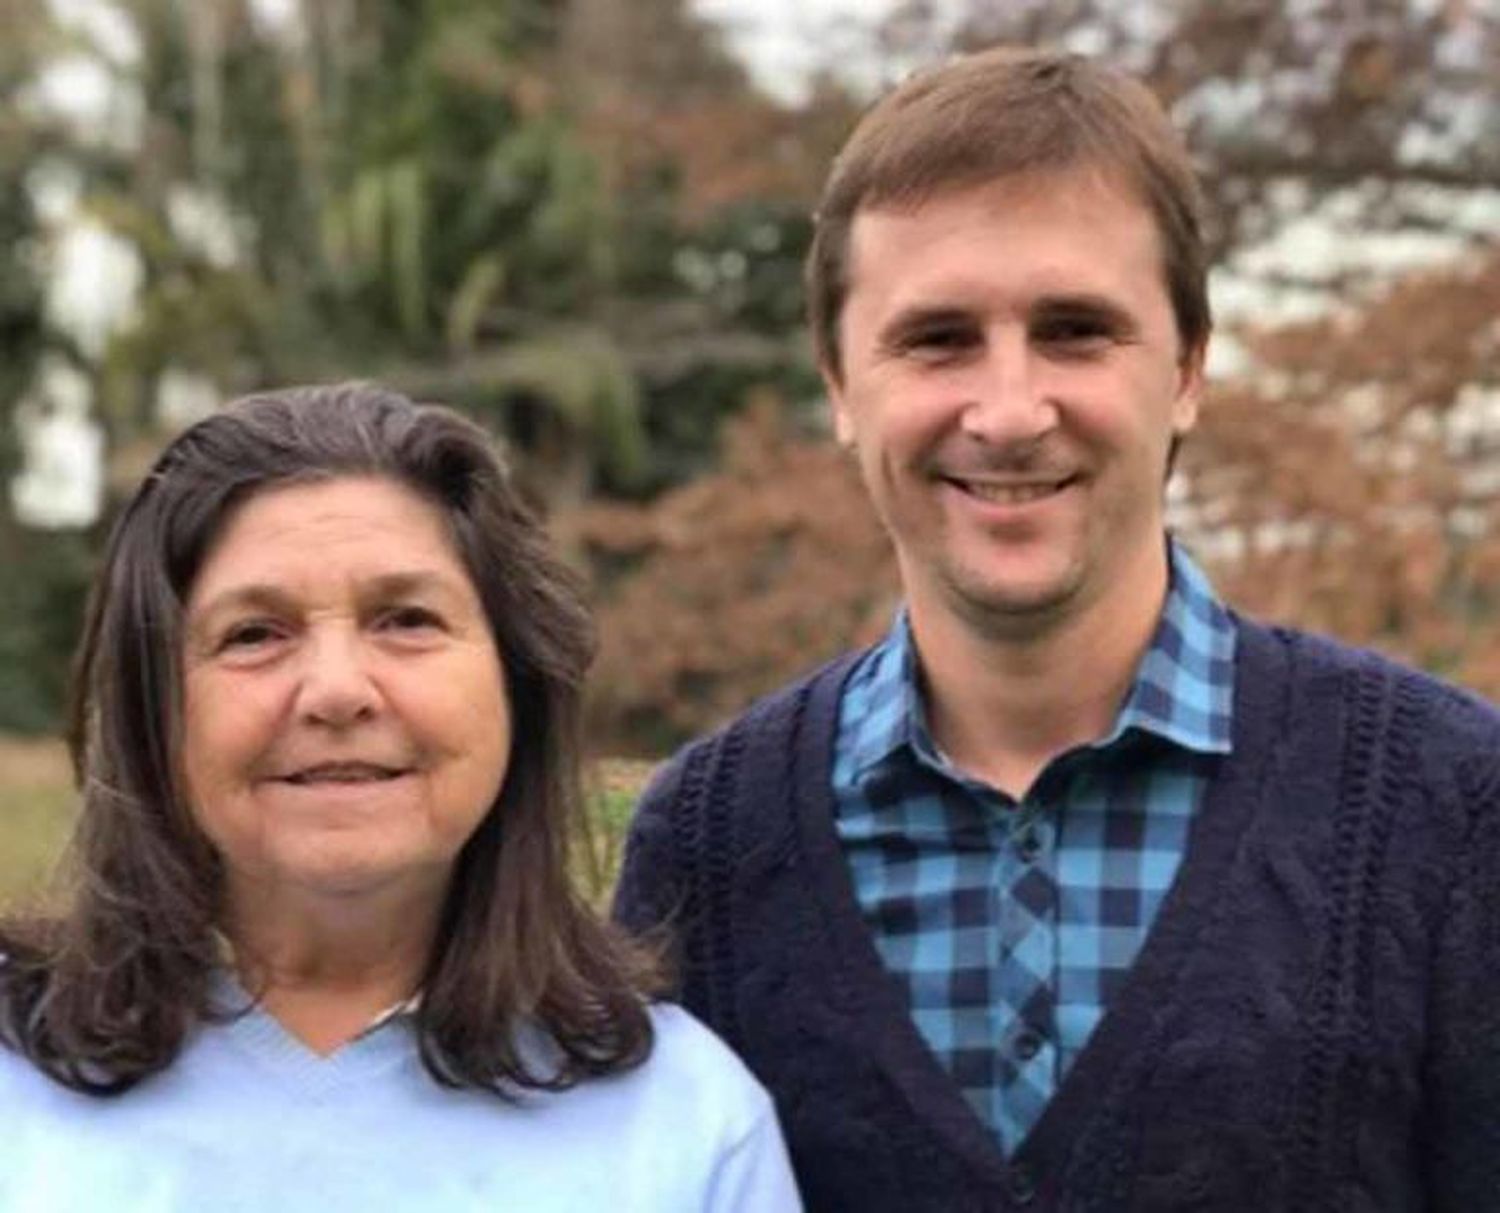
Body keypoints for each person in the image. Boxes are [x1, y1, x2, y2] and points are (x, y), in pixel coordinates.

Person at [612, 45, 1500, 1211]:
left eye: (1077, 330)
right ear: (837, 381)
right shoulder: (707, 849)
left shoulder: (1450, 807)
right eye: (937, 339)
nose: (1011, 412)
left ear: (1187, 369)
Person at [0, 383, 801, 1212]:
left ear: (516, 684)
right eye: (254, 634)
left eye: (406, 619)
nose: (337, 690)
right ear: (151, 706)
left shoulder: (684, 1125)